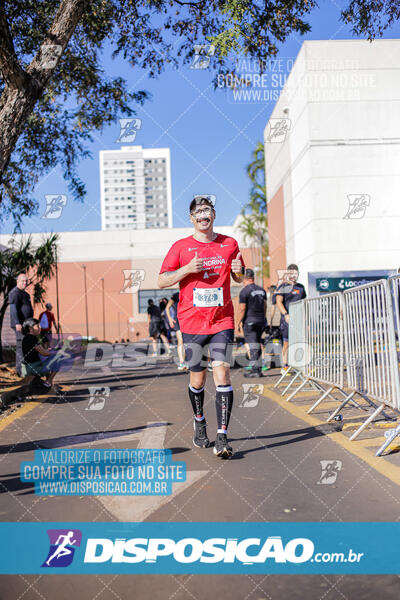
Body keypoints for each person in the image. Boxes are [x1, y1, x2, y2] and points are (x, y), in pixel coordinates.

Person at [158, 195, 245, 458]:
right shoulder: (181, 247)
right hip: (192, 322)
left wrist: (239, 270)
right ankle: (199, 421)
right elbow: (162, 281)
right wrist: (186, 269)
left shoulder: (229, 243)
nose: (203, 214)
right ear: (192, 218)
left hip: (222, 320)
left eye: (207, 209)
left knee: (223, 373)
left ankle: (222, 437)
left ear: (214, 215)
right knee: (198, 378)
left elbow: (238, 274)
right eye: (198, 211)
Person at [275, 264, 307, 375]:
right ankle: (285, 366)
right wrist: (286, 314)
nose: (293, 275)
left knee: (301, 342)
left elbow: (304, 303)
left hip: (299, 320)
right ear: (288, 274)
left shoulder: (301, 287)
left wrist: (306, 319)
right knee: (287, 343)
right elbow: (278, 302)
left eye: (295, 273)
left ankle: (302, 365)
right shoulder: (283, 286)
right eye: (291, 273)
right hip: (287, 321)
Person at [237, 268, 267, 378]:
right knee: (257, 344)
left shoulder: (244, 291)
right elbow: (265, 306)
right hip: (260, 320)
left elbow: (241, 309)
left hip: (249, 321)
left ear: (244, 278)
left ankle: (255, 370)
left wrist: (238, 323)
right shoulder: (261, 290)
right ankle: (257, 369)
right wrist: (263, 318)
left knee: (253, 345)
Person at [8, 273, 34, 376]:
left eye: (26, 281)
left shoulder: (25, 294)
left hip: (27, 325)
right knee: (21, 346)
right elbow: (13, 309)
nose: (25, 283)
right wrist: (17, 323)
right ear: (17, 281)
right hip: (19, 325)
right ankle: (20, 371)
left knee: (27, 346)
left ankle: (27, 369)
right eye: (23, 281)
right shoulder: (14, 293)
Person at [21, 318, 58, 388]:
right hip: (33, 367)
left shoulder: (26, 338)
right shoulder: (32, 338)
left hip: (27, 367)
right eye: (38, 326)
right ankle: (48, 382)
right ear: (31, 329)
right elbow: (44, 353)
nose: (40, 328)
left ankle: (48, 385)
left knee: (48, 362)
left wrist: (48, 350)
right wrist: (56, 353)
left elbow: (41, 351)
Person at [166, 290, 187, 370]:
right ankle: (182, 362)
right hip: (178, 320)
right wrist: (170, 319)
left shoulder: (189, 292)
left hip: (187, 319)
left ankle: (185, 361)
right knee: (180, 340)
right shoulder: (175, 295)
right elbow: (167, 307)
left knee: (186, 340)